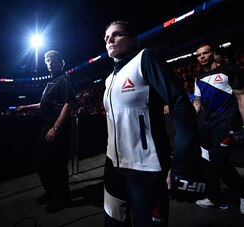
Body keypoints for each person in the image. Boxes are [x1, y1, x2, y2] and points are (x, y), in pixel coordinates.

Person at [102, 20, 206, 227]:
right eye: (106, 37)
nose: (109, 40)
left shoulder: (145, 58)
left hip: (146, 168)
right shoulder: (108, 80)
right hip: (112, 166)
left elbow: (180, 104)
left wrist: (182, 163)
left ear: (133, 41)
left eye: (117, 34)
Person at [16, 50, 75, 213]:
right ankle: (51, 193)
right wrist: (28, 107)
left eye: (53, 59)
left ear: (61, 62)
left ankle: (63, 199)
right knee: (41, 160)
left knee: (57, 164)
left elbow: (68, 104)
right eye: (47, 60)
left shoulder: (64, 79)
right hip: (46, 126)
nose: (49, 62)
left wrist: (55, 128)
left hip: (57, 127)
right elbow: (45, 104)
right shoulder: (51, 81)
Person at [193, 43, 244, 214]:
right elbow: (197, 103)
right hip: (206, 126)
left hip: (226, 123)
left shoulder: (230, 70)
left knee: (218, 162)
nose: (202, 56)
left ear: (213, 54)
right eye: (199, 54)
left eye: (205, 53)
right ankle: (215, 197)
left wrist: (243, 124)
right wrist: (190, 123)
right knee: (207, 162)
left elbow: (241, 99)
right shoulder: (198, 79)